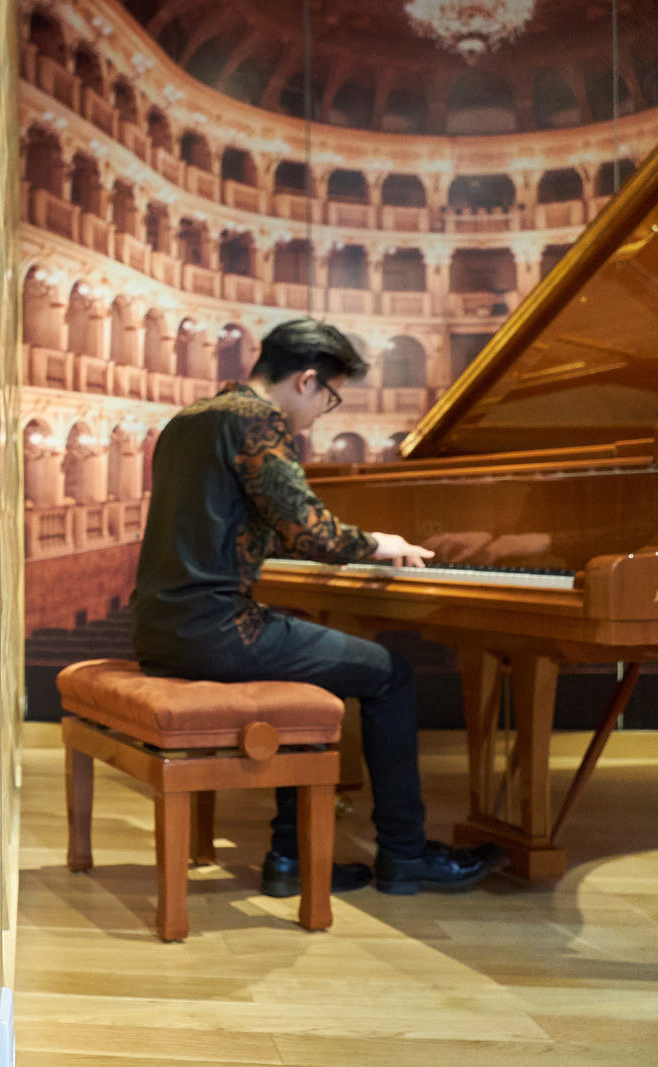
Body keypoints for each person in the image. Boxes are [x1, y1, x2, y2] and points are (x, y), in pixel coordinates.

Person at [129, 318, 500, 896]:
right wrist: (379, 543)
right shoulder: (258, 421)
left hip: (158, 629)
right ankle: (405, 854)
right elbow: (312, 532)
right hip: (218, 631)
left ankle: (292, 856)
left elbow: (233, 523)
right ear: (307, 380)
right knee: (391, 673)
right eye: (330, 398)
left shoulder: (190, 419)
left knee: (306, 667)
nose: (323, 413)